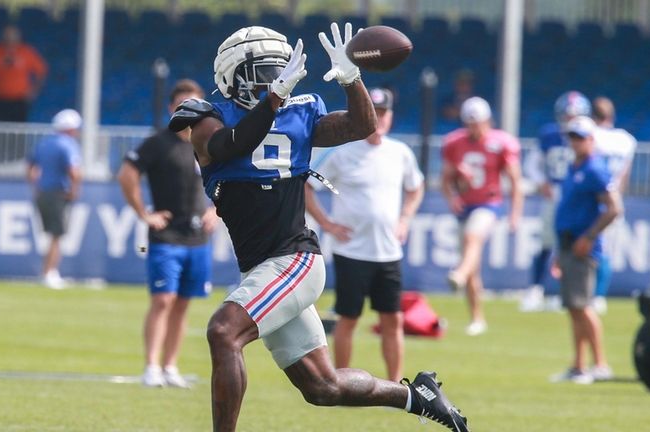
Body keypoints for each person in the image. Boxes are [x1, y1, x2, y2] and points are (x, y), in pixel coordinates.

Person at [168, 23, 468, 431]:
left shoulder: (297, 112)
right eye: (263, 72)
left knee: (223, 331)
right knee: (322, 386)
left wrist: (352, 79)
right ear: (231, 74)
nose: (274, 80)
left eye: (278, 71)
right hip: (260, 267)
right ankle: (417, 395)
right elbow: (231, 145)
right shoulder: (207, 119)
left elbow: (361, 126)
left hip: (294, 259)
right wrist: (273, 100)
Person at [304, 87, 424, 382]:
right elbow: (307, 186)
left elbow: (415, 186)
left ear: (391, 117)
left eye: (383, 113)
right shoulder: (343, 153)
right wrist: (327, 223)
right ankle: (341, 381)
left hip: (387, 251)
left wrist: (406, 218)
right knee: (348, 318)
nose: (379, 119)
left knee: (392, 319)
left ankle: (396, 385)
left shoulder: (400, 153)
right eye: (374, 113)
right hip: (352, 251)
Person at [118, 79, 218, 388]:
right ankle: (151, 367)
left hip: (198, 238)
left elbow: (227, 180)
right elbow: (127, 174)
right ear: (171, 108)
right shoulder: (158, 142)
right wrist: (144, 214)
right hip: (166, 237)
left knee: (184, 303)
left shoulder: (210, 142)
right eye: (182, 105)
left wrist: (216, 209)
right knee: (163, 300)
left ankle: (171, 366)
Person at [441, 96, 523, 336]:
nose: (474, 128)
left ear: (488, 121)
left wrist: (514, 213)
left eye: (478, 122)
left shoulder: (501, 143)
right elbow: (445, 180)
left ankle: (459, 273)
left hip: (489, 203)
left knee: (471, 238)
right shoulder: (455, 142)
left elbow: (514, 181)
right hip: (465, 204)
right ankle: (477, 318)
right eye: (470, 123)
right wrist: (452, 197)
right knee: (473, 267)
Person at [550, 116, 622, 384]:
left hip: (583, 246)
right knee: (574, 307)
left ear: (592, 139)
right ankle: (579, 365)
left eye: (580, 137)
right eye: (572, 137)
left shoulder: (595, 169)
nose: (575, 142)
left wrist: (589, 237)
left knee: (584, 306)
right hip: (569, 243)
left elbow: (613, 208)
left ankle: (600, 364)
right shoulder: (574, 166)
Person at [520, 91, 591, 312]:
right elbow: (531, 164)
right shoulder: (550, 135)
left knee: (572, 246)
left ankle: (569, 292)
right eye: (567, 115)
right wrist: (542, 183)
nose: (570, 120)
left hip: (577, 198)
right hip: (555, 195)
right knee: (547, 243)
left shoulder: (588, 137)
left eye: (574, 115)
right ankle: (536, 290)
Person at [27, 109, 82, 289]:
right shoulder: (67, 145)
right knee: (56, 236)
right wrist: (74, 191)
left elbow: (31, 169)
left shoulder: (44, 143)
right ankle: (50, 273)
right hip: (58, 193)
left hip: (43, 193)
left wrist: (36, 188)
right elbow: (73, 171)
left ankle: (46, 271)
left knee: (51, 235)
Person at [591, 96, 636, 314]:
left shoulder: (592, 136)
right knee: (605, 251)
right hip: (615, 196)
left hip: (594, 199)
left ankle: (593, 295)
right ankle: (599, 296)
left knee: (592, 249)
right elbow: (625, 175)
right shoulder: (625, 140)